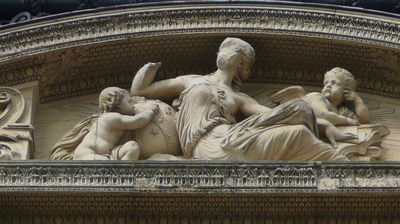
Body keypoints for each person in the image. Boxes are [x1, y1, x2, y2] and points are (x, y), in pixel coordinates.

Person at [130, 37, 349, 161]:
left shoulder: (239, 98)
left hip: (233, 137)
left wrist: (320, 122)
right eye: (222, 50)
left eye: (231, 51)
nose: (222, 54)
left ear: (241, 65)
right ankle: (339, 162)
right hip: (211, 145)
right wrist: (148, 70)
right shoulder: (190, 81)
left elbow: (269, 115)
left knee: (300, 123)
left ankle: (341, 163)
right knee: (299, 123)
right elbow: (140, 92)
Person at [70, 87, 158, 161]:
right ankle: (119, 174)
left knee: (132, 147)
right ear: (118, 103)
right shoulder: (111, 117)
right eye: (130, 101)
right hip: (88, 155)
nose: (133, 105)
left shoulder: (115, 118)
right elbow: (138, 121)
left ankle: (122, 172)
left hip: (107, 155)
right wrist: (150, 111)